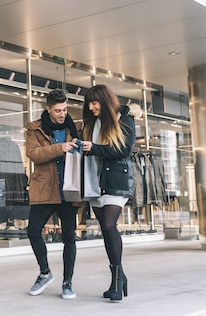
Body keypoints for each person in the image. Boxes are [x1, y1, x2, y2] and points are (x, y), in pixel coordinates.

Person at [79, 84, 136, 302]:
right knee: (105, 228)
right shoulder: (91, 122)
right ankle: (119, 275)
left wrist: (93, 148)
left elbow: (124, 150)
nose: (91, 107)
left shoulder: (124, 118)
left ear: (104, 100)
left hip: (115, 179)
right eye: (89, 104)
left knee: (110, 225)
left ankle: (116, 280)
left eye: (94, 103)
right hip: (93, 180)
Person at [25, 89, 81, 300]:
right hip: (45, 188)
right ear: (48, 109)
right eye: (58, 110)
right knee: (33, 231)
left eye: (65, 109)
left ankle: (68, 282)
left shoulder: (75, 127)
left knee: (69, 237)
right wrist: (60, 148)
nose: (62, 114)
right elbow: (34, 154)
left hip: (69, 189)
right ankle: (45, 272)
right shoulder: (34, 129)